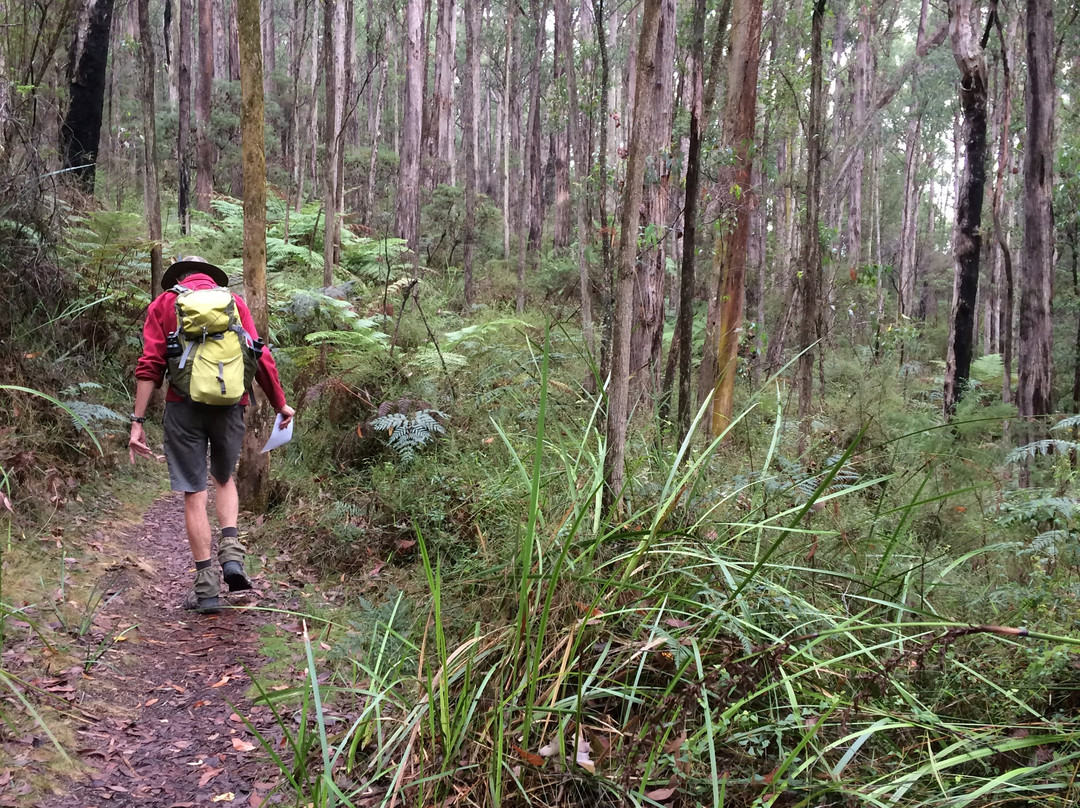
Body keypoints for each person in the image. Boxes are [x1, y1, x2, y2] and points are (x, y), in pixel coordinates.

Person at [128, 257, 295, 614]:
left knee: (194, 491)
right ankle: (232, 554)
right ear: (210, 279)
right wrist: (281, 403)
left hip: (182, 406)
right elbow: (259, 355)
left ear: (179, 277)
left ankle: (206, 588)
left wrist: (137, 420)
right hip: (231, 405)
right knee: (224, 479)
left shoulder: (164, 303)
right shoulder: (234, 303)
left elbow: (151, 363)